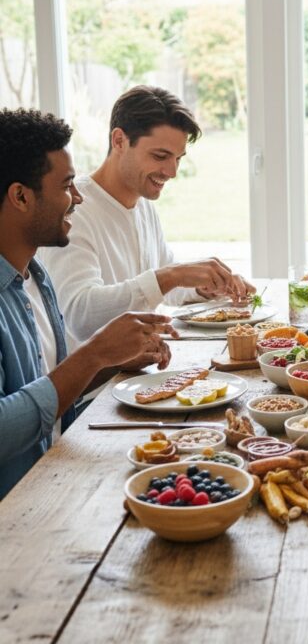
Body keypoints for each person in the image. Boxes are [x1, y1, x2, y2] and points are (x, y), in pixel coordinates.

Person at [0, 108, 178, 499]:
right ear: (20, 196)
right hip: (20, 511)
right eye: (66, 185)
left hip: (56, 476)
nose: (78, 197)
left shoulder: (35, 278)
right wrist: (94, 354)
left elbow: (49, 393)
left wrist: (109, 360)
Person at [39, 85, 252, 349]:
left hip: (140, 371)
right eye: (160, 156)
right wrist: (171, 276)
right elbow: (80, 316)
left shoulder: (142, 203)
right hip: (96, 387)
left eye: (178, 158)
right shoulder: (74, 211)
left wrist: (203, 286)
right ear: (119, 141)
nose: (172, 171)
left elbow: (163, 284)